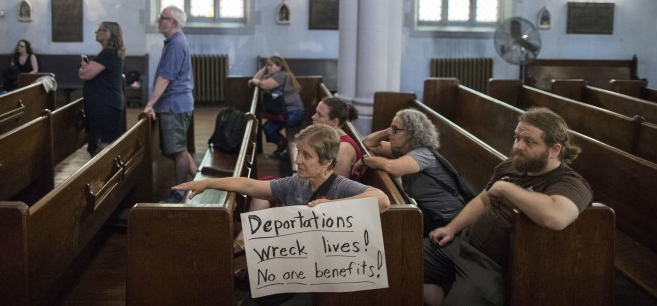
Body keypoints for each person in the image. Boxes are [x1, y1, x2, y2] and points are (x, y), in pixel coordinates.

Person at [174, 124, 390, 306]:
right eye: (299, 152)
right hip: (289, 271)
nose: (297, 160)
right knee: (250, 301)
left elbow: (382, 200)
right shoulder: (295, 184)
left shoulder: (341, 186)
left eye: (306, 155)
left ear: (326, 162)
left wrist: (332, 207)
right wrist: (207, 183)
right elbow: (249, 185)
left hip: (321, 281)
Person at [422, 107, 593, 306]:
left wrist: (506, 188)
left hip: (490, 267)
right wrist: (451, 228)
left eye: (529, 141)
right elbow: (482, 200)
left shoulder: (570, 183)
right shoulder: (513, 165)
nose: (518, 146)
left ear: (555, 150)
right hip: (461, 245)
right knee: (393, 260)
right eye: (517, 137)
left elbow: (556, 217)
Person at [233, 98, 363, 253]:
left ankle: (245, 245)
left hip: (323, 207)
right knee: (264, 186)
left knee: (265, 193)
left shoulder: (343, 149)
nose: (313, 117)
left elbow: (332, 190)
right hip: (311, 190)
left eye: (319, 115)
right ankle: (246, 242)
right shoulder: (332, 139)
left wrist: (295, 193)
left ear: (334, 122)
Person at [352, 108, 466, 234]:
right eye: (391, 129)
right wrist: (391, 129)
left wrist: (366, 161)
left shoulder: (423, 154)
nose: (390, 133)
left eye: (396, 130)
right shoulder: (403, 150)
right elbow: (368, 143)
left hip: (449, 220)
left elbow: (393, 168)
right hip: (432, 216)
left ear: (412, 133)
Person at [143, 5, 197, 203]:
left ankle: (179, 192)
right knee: (179, 148)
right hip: (176, 104)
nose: (159, 21)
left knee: (178, 151)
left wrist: (149, 104)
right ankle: (202, 181)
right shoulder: (174, 41)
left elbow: (165, 78)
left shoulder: (175, 43)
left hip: (174, 104)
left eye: (162, 18)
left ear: (173, 22)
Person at [79, 21, 125, 157]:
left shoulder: (108, 54)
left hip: (105, 106)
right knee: (103, 143)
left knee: (105, 144)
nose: (96, 32)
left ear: (109, 34)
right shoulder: (109, 53)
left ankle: (109, 176)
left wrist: (83, 68)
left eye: (101, 29)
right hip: (105, 104)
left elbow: (85, 74)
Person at [249, 56, 304, 160]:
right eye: (267, 65)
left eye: (271, 65)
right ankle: (283, 146)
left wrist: (254, 81)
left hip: (294, 112)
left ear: (279, 66)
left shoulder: (281, 75)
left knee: (269, 128)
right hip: (287, 112)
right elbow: (256, 78)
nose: (268, 67)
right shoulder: (276, 75)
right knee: (267, 128)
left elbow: (263, 85)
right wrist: (265, 68)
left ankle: (284, 148)